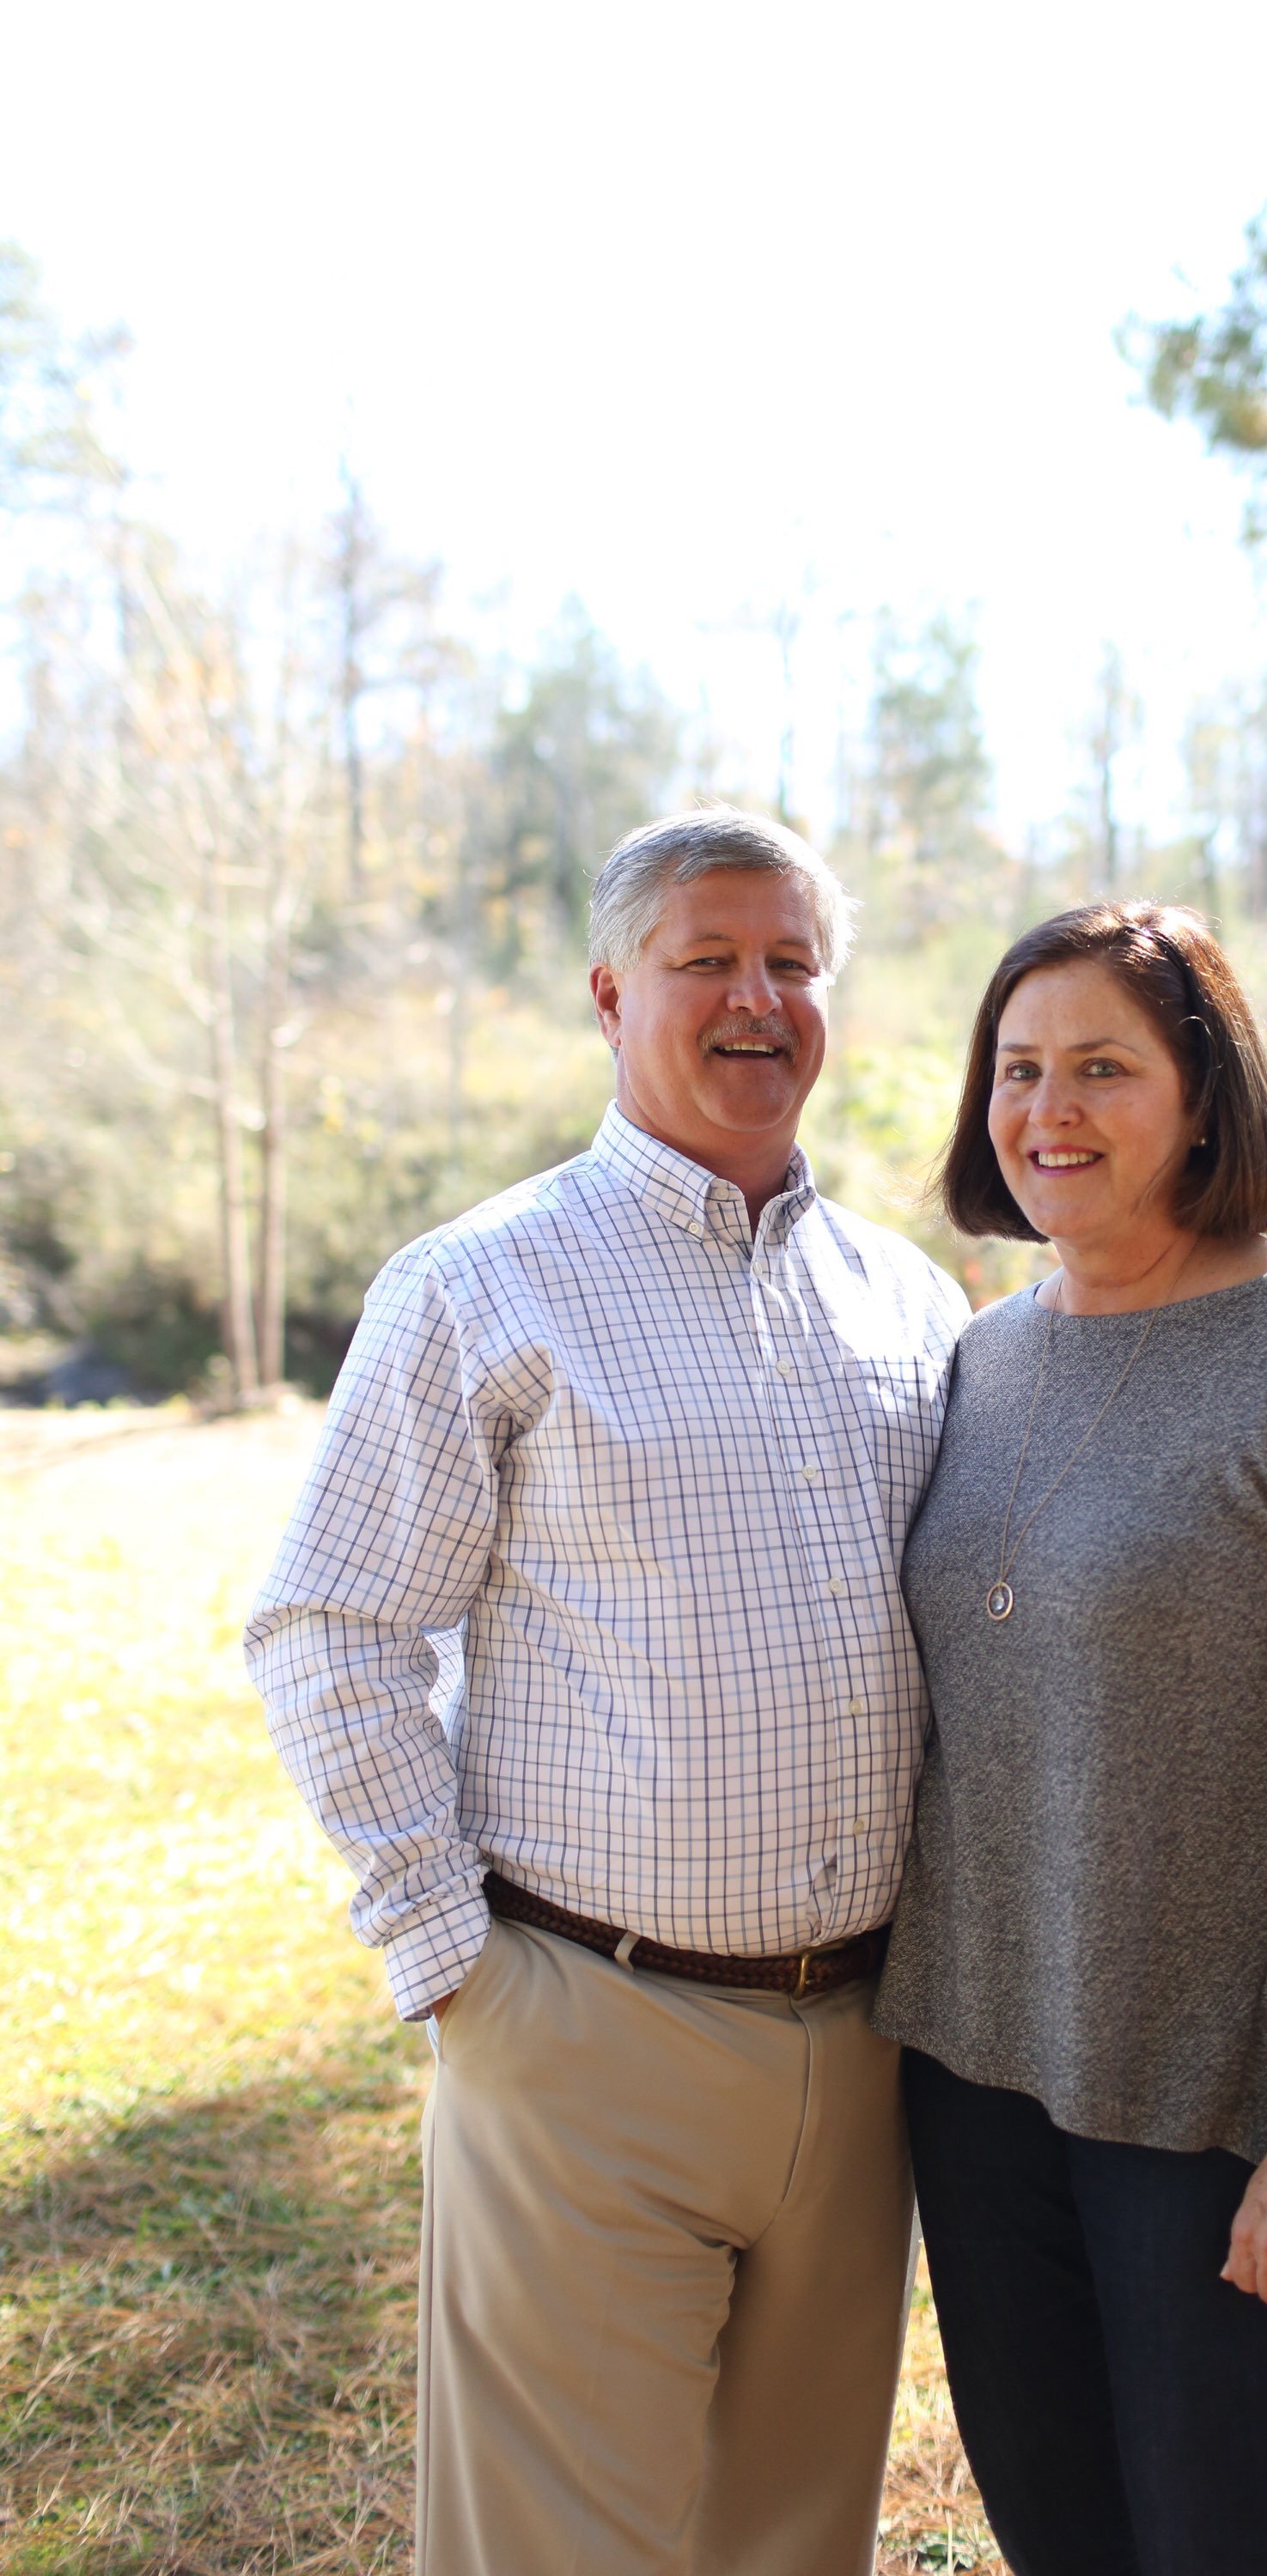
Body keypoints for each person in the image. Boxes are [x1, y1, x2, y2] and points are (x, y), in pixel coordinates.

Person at [245, 807, 967, 2576]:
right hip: (585, 2032)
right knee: (553, 2553)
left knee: (794, 2543)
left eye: (792, 962)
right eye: (705, 957)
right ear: (607, 992)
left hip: (868, 2050)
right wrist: (452, 1970)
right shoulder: (480, 1286)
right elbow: (329, 1625)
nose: (755, 998)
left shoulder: (917, 1304)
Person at [874, 900, 1267, 2576]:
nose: (1047, 1111)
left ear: (1202, 1099)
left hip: (1223, 2113)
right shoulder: (981, 1357)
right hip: (973, 2086)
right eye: (1017, 1069)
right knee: (1062, 2545)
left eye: (1100, 1068)